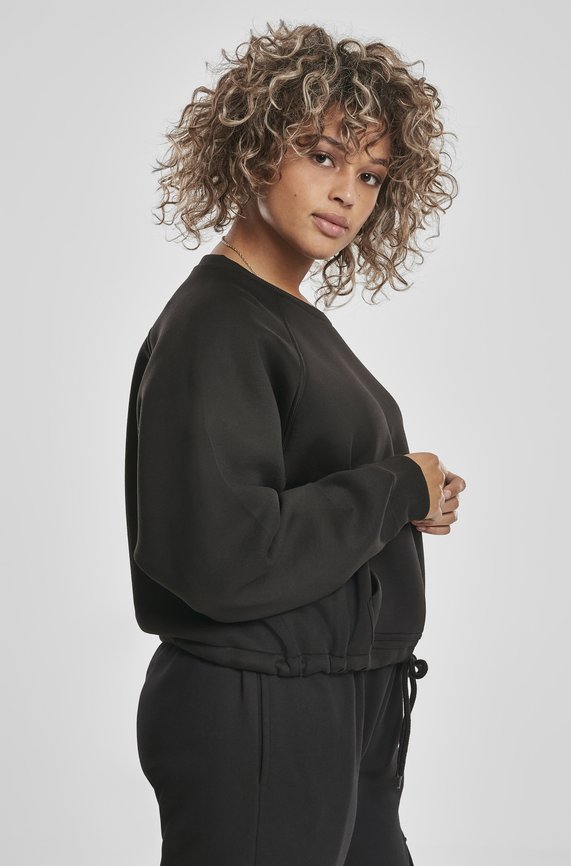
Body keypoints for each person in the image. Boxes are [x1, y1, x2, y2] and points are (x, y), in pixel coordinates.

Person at [124, 19, 466, 866]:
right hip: (259, 712)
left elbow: (299, 493)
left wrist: (409, 502)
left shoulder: (285, 318)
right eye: (322, 155)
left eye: (370, 174)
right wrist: (396, 486)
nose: (347, 192)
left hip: (337, 704)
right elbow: (222, 552)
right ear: (253, 151)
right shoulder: (218, 323)